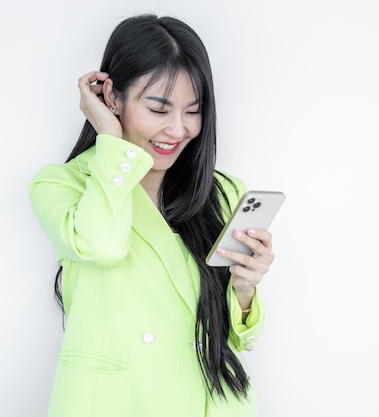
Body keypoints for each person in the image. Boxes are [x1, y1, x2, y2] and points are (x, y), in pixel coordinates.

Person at [28, 13, 276, 417]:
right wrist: (110, 138)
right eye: (158, 109)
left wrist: (246, 290)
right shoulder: (63, 185)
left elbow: (237, 339)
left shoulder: (223, 192)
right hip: (116, 405)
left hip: (212, 403)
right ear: (112, 98)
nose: (178, 130)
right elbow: (103, 246)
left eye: (193, 111)